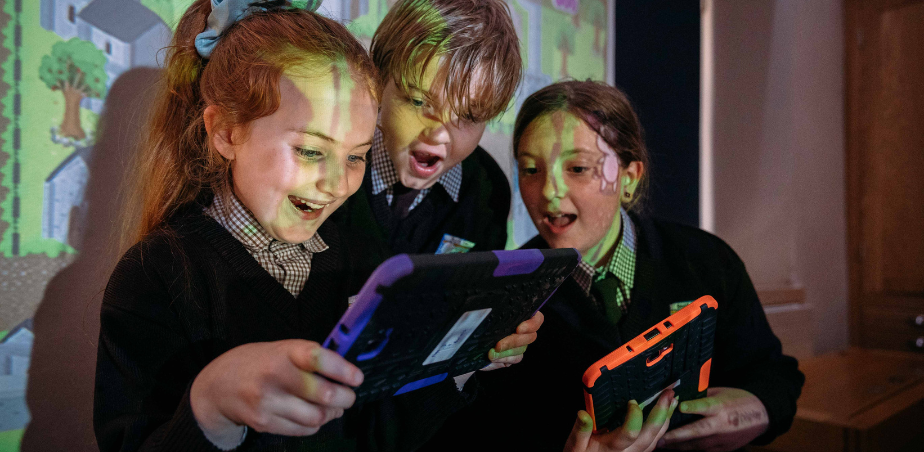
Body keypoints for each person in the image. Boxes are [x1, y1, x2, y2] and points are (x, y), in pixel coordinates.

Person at [94, 1, 536, 450]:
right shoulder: (156, 275)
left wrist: (462, 360)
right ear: (226, 132)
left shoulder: (351, 258)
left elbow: (369, 426)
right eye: (309, 151)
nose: (335, 184)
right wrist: (210, 406)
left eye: (356, 156)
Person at [428, 80, 805, 452]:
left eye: (576, 168)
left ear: (629, 177)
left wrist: (758, 409)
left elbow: (775, 373)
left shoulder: (704, 261)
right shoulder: (511, 298)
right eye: (530, 170)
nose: (548, 191)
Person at [331, 0, 520, 272]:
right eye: (418, 102)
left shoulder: (488, 191)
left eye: (467, 117)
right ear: (379, 81)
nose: (439, 134)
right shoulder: (332, 159)